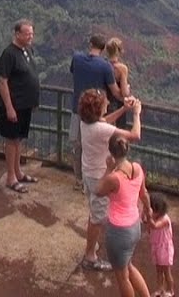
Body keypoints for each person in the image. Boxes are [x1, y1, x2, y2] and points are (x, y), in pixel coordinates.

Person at [78, 89, 142, 272]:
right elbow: (134, 136)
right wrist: (136, 113)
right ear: (98, 109)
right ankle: (90, 257)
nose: (107, 104)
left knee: (95, 213)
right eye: (105, 103)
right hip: (99, 176)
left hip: (89, 173)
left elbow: (105, 122)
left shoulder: (86, 123)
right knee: (97, 217)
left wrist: (123, 109)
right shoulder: (100, 129)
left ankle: (92, 246)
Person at [95, 133, 153, 297]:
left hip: (118, 231)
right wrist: (147, 211)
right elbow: (144, 194)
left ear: (111, 152)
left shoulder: (114, 178)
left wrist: (107, 168)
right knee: (128, 265)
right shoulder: (137, 168)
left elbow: (98, 190)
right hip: (135, 226)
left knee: (122, 277)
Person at [71, 35, 122, 185]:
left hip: (77, 110)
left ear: (90, 44)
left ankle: (79, 180)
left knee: (78, 145)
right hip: (97, 114)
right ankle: (99, 178)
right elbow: (115, 92)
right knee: (100, 147)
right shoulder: (105, 66)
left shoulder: (77, 58)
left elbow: (74, 73)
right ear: (103, 48)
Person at [0, 19, 41, 193]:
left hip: (25, 105)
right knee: (11, 140)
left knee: (19, 139)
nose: (31, 36)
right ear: (17, 34)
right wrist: (9, 107)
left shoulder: (26, 50)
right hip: (14, 106)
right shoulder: (8, 54)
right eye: (27, 33)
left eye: (32, 33)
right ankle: (10, 177)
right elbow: (2, 81)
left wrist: (33, 100)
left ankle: (18, 172)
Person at [147, 193, 175, 297]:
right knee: (158, 270)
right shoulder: (154, 218)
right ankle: (160, 289)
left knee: (166, 271)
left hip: (165, 249)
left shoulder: (165, 219)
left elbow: (154, 226)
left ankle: (171, 291)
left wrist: (148, 217)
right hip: (156, 247)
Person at [104, 38, 133, 130]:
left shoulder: (102, 65)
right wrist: (128, 88)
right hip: (117, 106)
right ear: (119, 51)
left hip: (103, 103)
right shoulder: (121, 68)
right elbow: (125, 93)